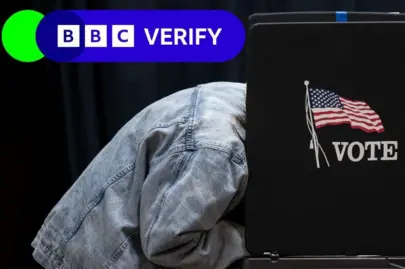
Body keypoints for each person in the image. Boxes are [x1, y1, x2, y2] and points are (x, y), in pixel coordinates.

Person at [32, 82, 249, 269]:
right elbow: (169, 244)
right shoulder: (217, 148)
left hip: (90, 244)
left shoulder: (243, 97)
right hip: (105, 257)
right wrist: (251, 241)